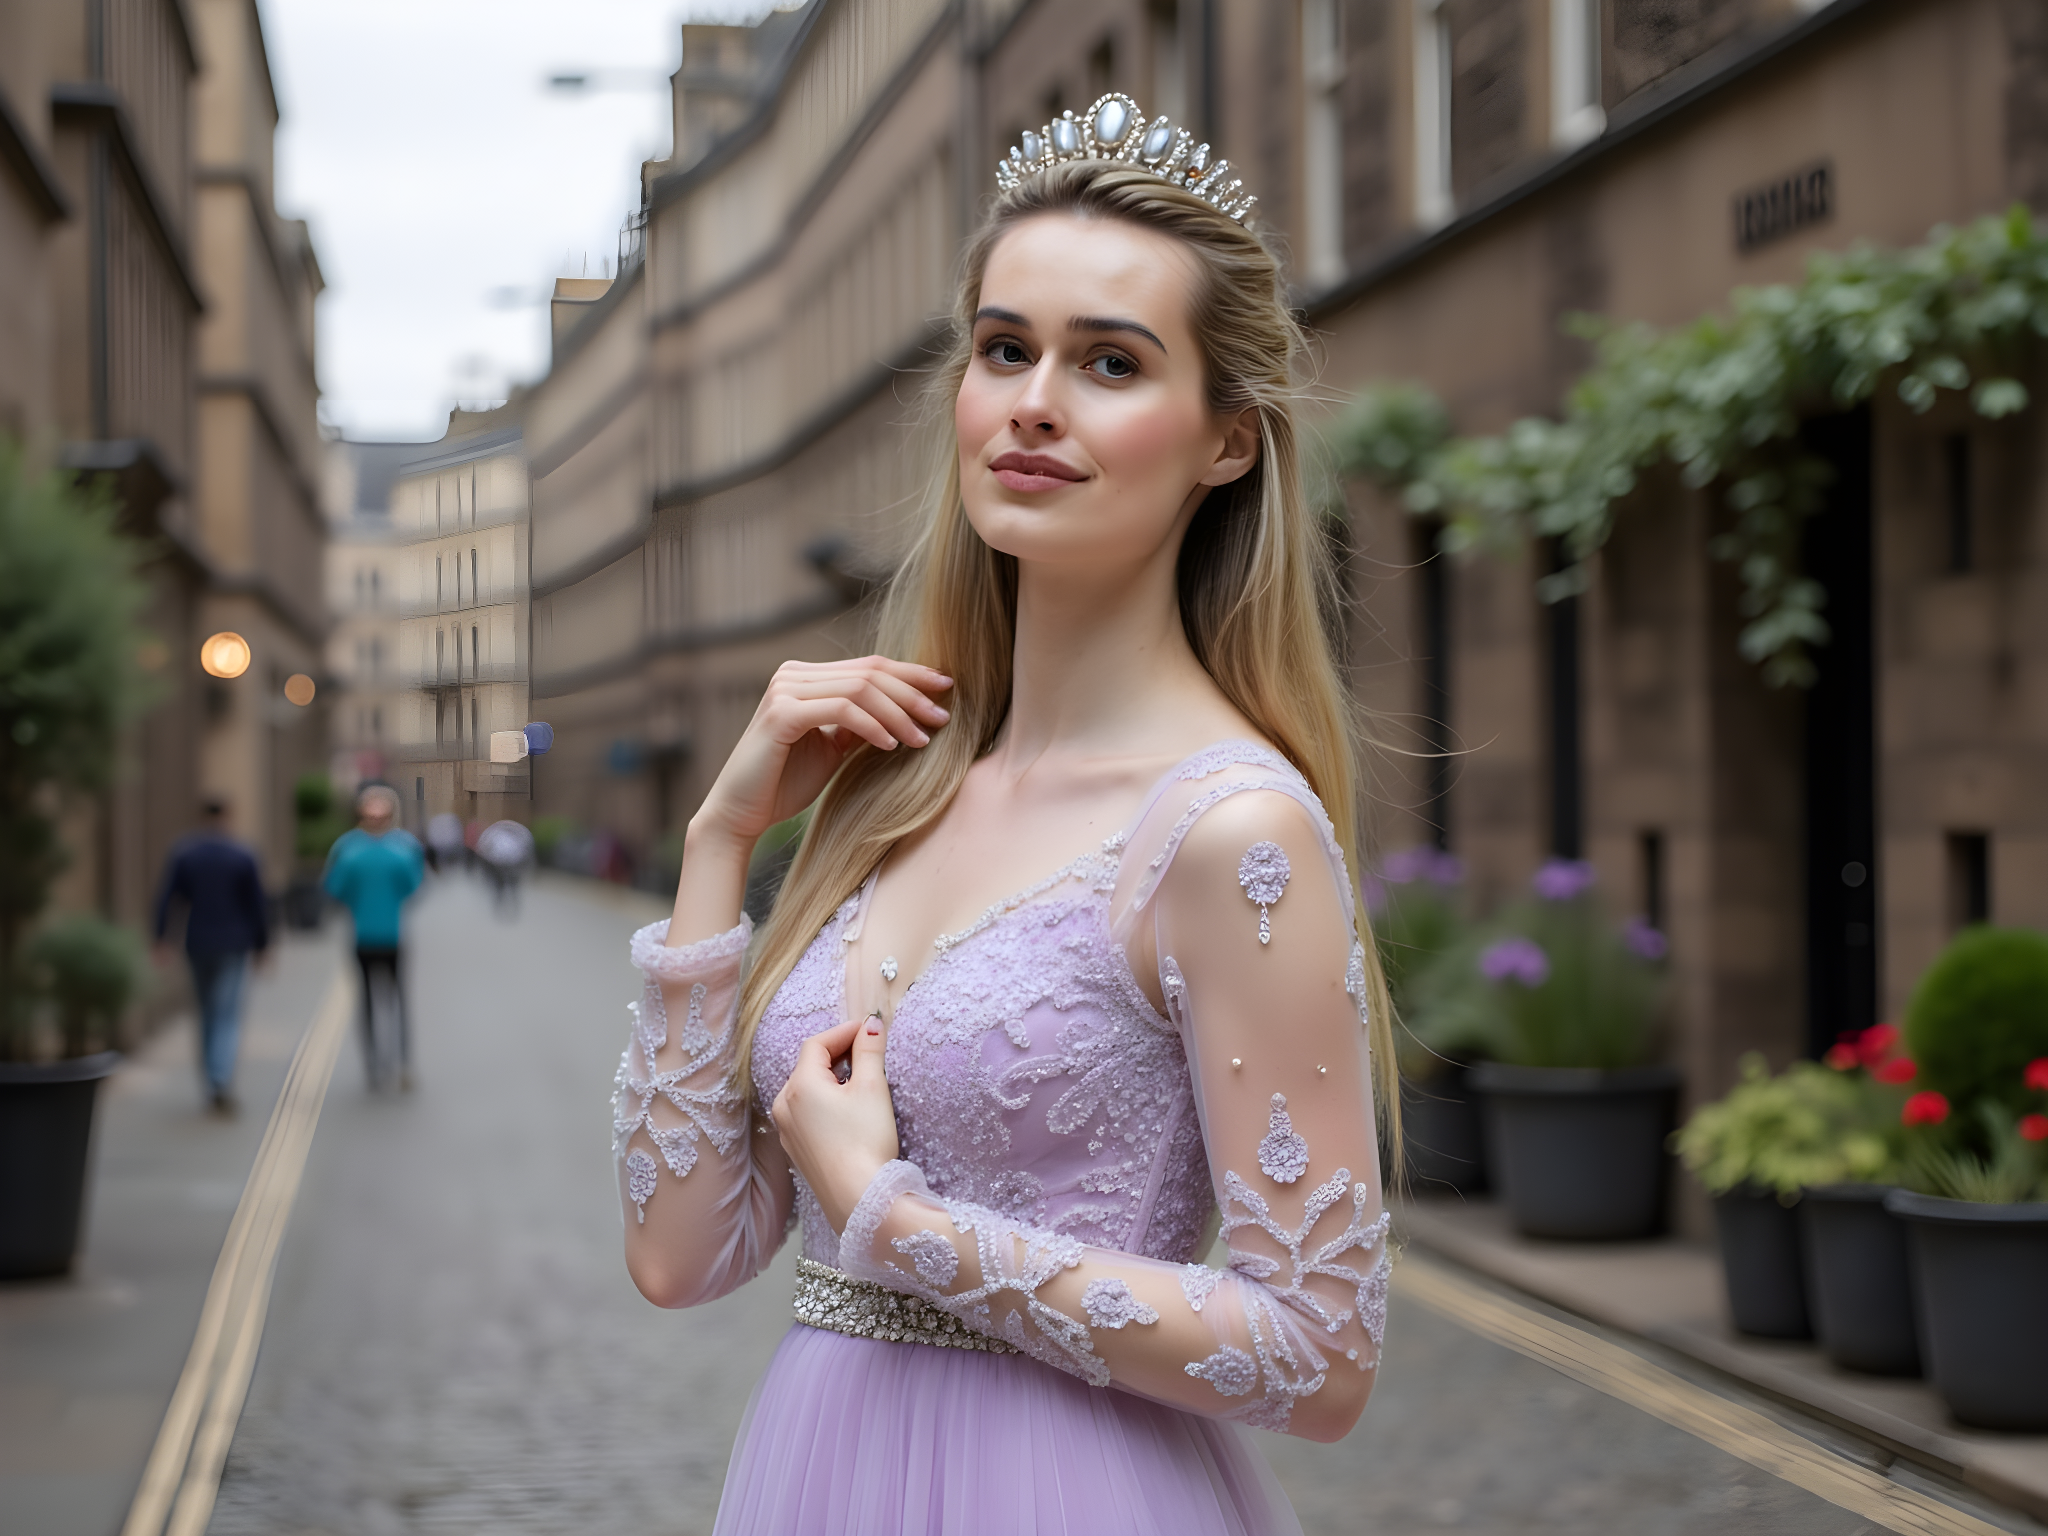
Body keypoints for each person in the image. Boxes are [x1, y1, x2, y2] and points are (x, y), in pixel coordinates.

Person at [611, 99, 1401, 1536]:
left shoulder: (1229, 834)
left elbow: (1320, 1355)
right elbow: (679, 1256)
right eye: (1003, 349)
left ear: (1226, 442)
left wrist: (896, 1220)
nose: (1035, 399)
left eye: (1110, 361)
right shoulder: (895, 790)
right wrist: (718, 846)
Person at [152, 799, 269, 1116]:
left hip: (198, 942)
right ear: (228, 818)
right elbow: (257, 904)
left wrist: (161, 938)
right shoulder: (242, 853)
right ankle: (221, 1079)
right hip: (233, 943)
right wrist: (262, 946)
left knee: (205, 1013)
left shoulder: (186, 853)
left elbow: (167, 897)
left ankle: (210, 1080)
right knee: (227, 1013)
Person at [323, 784, 425, 1089]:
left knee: (371, 1001)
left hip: (369, 935)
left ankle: (379, 1066)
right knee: (394, 1002)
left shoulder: (347, 848)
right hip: (386, 935)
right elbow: (414, 886)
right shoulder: (403, 847)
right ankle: (398, 1064)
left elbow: (334, 888)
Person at [475, 818, 534, 913]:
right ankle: (504, 902)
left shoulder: (500, 835)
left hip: (508, 864)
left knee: (509, 885)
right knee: (504, 885)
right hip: (503, 864)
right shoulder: (501, 835)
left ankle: (508, 902)